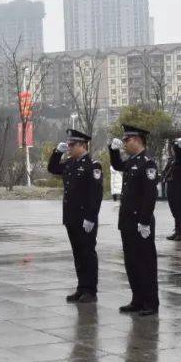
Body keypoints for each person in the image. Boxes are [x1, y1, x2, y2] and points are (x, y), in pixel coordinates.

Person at [47, 129, 104, 303]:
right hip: (71, 217)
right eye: (68, 144)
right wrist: (57, 153)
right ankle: (81, 287)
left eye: (72, 144)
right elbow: (53, 168)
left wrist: (91, 217)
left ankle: (90, 290)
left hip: (85, 219)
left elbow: (96, 194)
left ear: (82, 145)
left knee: (87, 253)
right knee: (78, 254)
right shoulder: (70, 163)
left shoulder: (93, 165)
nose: (69, 147)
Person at [109, 124, 160, 316]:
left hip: (141, 222)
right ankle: (137, 299)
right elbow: (117, 165)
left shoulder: (148, 163)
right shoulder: (131, 161)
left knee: (145, 262)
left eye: (126, 140)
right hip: (128, 220)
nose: (124, 143)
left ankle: (150, 302)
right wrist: (113, 151)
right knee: (131, 262)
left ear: (138, 140)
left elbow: (149, 195)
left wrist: (145, 221)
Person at [163, 138, 181, 241]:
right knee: (174, 210)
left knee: (179, 211)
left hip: (179, 189)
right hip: (171, 187)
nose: (172, 150)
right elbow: (166, 172)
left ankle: (180, 233)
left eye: (174, 148)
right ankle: (177, 230)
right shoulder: (172, 160)